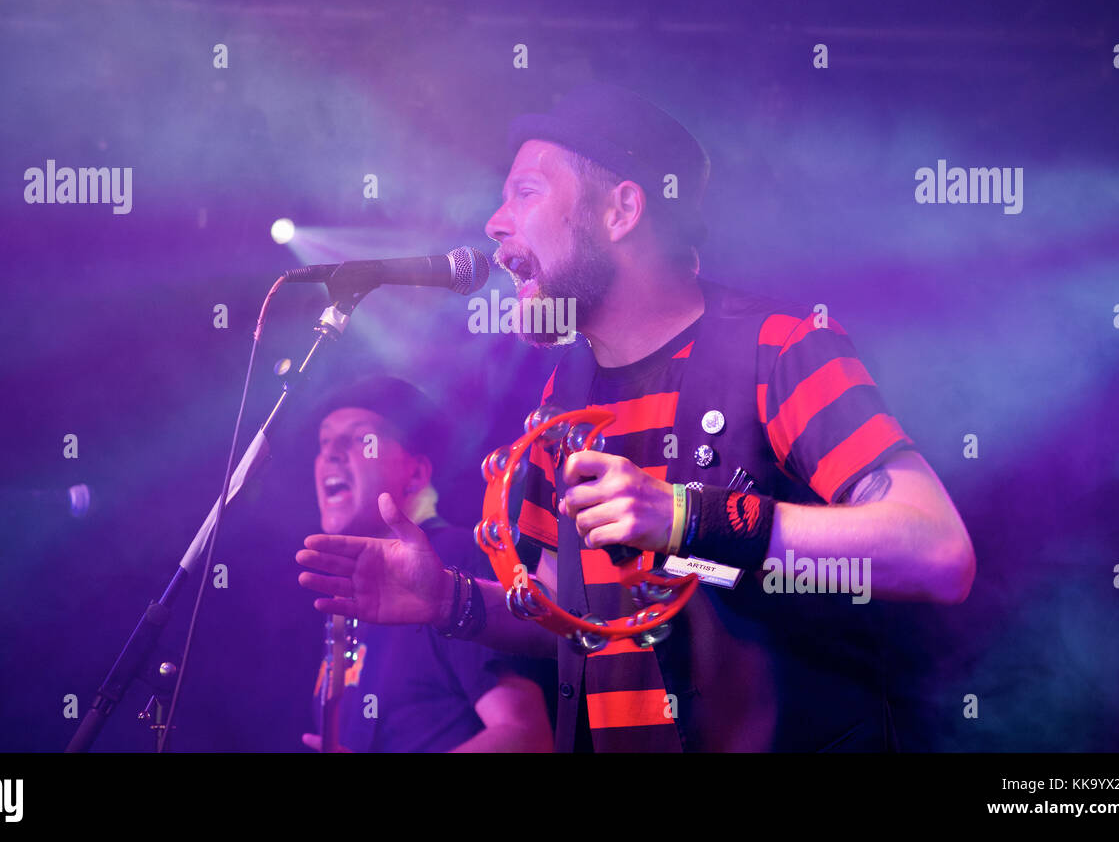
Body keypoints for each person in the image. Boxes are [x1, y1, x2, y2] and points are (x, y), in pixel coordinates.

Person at [297, 83, 976, 752]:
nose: (495, 225)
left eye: (526, 192)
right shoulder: (561, 401)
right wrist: (451, 600)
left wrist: (688, 518)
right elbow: (572, 609)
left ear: (622, 210)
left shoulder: (780, 348)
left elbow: (938, 551)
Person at [298, 375, 552, 752]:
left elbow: (525, 738)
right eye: (324, 442)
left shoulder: (454, 559)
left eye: (358, 438)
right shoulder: (356, 589)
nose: (331, 453)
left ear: (415, 472)